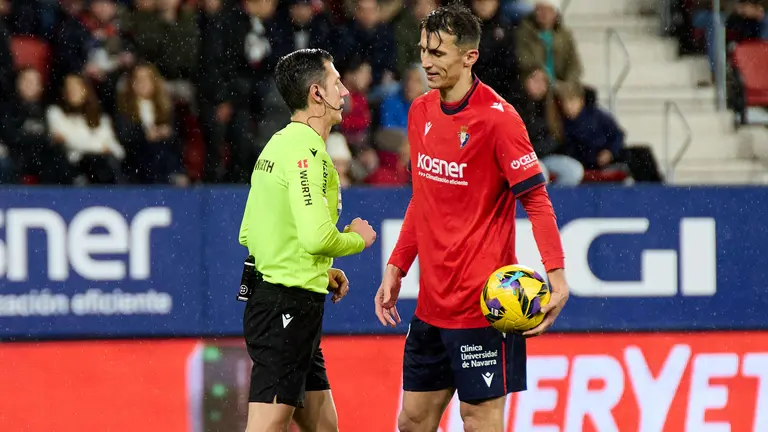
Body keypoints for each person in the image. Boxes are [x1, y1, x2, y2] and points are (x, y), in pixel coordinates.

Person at [374, 4, 570, 431]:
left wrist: (557, 275)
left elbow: (537, 201)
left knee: (478, 419)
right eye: (424, 49)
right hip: (431, 305)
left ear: (469, 57)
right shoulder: (419, 111)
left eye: (438, 53)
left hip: (485, 307)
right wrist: (396, 266)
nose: (426, 61)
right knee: (412, 420)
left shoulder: (499, 121)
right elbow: (421, 199)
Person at [238, 48, 377, 432]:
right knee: (267, 426)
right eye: (336, 83)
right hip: (288, 305)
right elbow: (317, 237)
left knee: (324, 426)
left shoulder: (278, 143)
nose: (345, 91)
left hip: (281, 297)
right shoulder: (308, 154)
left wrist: (319, 269)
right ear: (317, 93)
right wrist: (356, 240)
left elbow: (250, 230)